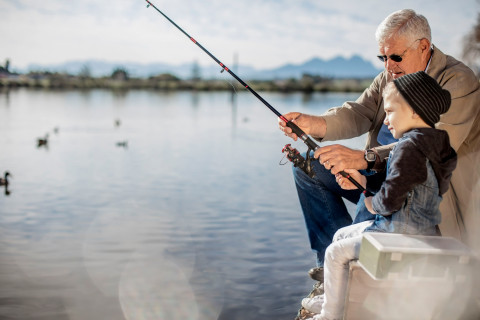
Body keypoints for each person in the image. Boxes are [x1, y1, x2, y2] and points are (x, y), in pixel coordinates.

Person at [278, 9, 480, 282]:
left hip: (423, 191)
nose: (388, 65)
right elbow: (359, 112)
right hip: (378, 176)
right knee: (308, 167)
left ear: (423, 47)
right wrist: (315, 123)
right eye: (382, 57)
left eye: (395, 56)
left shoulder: (458, 81)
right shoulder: (389, 76)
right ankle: (331, 269)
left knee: (366, 218)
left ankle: (355, 274)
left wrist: (364, 159)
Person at [301, 71, 457, 320]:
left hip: (400, 233)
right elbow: (412, 186)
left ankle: (330, 314)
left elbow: (391, 198)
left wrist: (373, 203)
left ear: (415, 112)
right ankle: (333, 296)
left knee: (334, 253)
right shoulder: (438, 144)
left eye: (391, 111)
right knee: (341, 235)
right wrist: (363, 181)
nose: (385, 121)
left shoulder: (409, 147)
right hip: (422, 229)